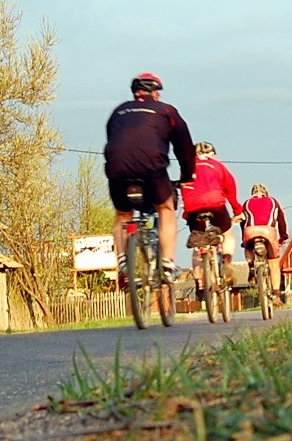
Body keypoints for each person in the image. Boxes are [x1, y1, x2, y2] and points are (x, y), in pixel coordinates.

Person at [104, 71, 196, 290]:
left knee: (123, 215)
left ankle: (123, 264)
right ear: (155, 93)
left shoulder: (118, 111)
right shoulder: (166, 111)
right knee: (165, 208)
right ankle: (167, 264)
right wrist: (187, 175)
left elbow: (114, 140)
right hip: (151, 169)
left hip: (117, 170)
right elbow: (185, 147)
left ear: (135, 93)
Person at [180, 142, 243, 299]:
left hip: (193, 208)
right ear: (213, 154)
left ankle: (200, 283)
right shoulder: (217, 166)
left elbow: (183, 189)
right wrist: (237, 210)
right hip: (216, 204)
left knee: (198, 245)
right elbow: (231, 188)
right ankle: (227, 262)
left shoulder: (187, 167)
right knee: (228, 235)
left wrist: (187, 212)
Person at [241, 183, 288, 306]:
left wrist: (244, 240)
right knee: (274, 263)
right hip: (268, 232)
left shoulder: (246, 203)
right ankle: (276, 295)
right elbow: (281, 220)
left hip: (250, 231)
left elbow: (242, 221)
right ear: (266, 193)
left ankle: (251, 267)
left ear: (253, 194)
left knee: (247, 247)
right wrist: (283, 237)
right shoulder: (273, 202)